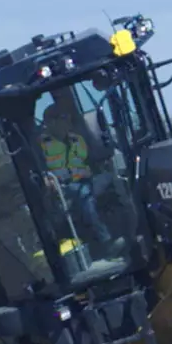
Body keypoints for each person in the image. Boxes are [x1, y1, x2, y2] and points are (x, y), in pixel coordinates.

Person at [38, 103, 111, 247]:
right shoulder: (41, 144)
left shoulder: (77, 139)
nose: (68, 121)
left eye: (69, 118)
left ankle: (114, 237)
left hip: (86, 181)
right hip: (61, 188)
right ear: (50, 122)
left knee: (98, 193)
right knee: (85, 200)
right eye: (64, 118)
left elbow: (89, 161)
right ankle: (104, 242)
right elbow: (40, 169)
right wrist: (45, 179)